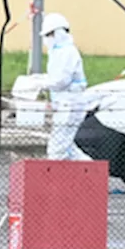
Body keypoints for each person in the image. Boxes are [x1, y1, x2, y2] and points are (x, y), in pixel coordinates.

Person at [35, 12, 91, 161]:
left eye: (49, 35)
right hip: (64, 105)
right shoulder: (58, 53)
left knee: (58, 150)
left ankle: (90, 175)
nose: (47, 40)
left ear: (57, 33)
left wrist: (41, 83)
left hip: (70, 104)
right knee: (66, 147)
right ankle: (91, 176)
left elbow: (61, 81)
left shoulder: (67, 52)